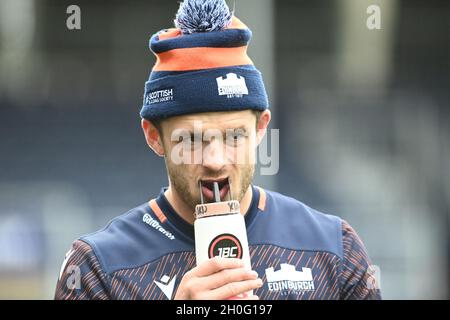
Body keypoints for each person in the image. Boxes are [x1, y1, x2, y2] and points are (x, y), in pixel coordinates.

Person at [55, 0, 381, 300]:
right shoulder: (97, 268)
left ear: (261, 128)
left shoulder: (334, 249)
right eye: (193, 141)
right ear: (154, 136)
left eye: (234, 136)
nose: (215, 161)